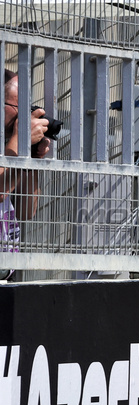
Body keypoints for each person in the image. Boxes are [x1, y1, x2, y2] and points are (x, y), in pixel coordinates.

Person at [1, 70, 52, 279]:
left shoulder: (8, 146)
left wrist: (31, 158)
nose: (23, 116)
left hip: (6, 271)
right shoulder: (12, 144)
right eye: (17, 107)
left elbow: (26, 211)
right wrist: (21, 140)